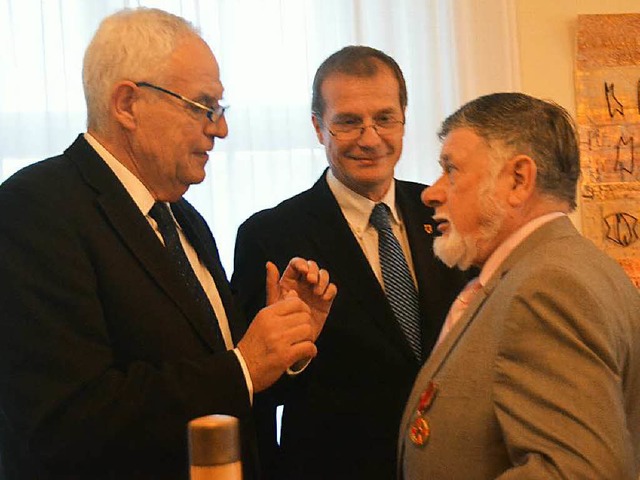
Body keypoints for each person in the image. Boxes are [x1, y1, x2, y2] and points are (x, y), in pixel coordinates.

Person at [0, 8, 337, 480]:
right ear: (127, 104)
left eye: (220, 111)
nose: (220, 129)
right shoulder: (33, 210)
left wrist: (283, 341)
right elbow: (65, 423)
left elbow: (231, 386)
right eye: (203, 107)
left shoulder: (184, 219)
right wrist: (244, 364)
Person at [231, 46, 469, 479]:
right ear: (318, 127)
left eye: (384, 118)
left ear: (403, 120)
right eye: (348, 122)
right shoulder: (270, 235)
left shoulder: (445, 212)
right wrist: (293, 351)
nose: (370, 138)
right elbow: (258, 393)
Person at [398, 92, 640, 479]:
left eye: (452, 170)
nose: (432, 192)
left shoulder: (547, 288)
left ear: (518, 180)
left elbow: (576, 472)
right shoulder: (559, 267)